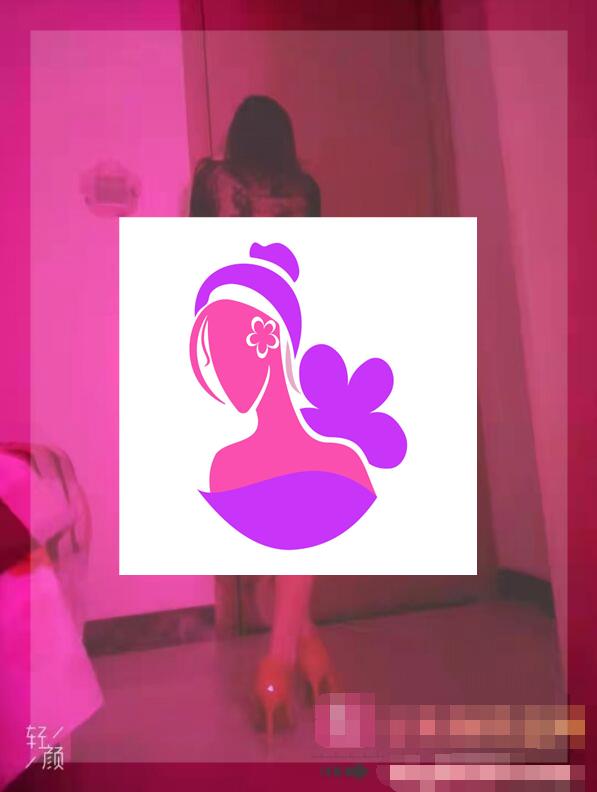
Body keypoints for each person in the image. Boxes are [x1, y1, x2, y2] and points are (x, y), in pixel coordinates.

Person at [189, 97, 325, 741]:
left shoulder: (213, 181)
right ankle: (294, 661)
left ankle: (291, 661)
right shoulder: (306, 190)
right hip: (296, 346)